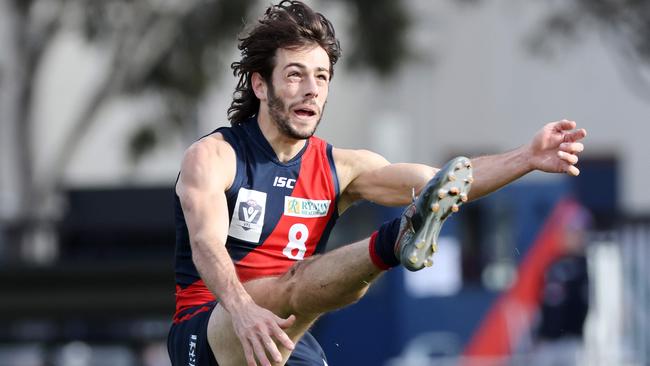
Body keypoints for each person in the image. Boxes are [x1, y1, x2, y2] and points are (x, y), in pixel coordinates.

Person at [167, 1, 587, 365]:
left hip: (289, 335)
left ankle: (401, 236)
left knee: (301, 286)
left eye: (322, 77)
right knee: (295, 282)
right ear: (260, 83)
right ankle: (394, 241)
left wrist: (527, 157)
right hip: (211, 327)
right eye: (295, 75)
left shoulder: (342, 167)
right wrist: (242, 310)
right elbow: (206, 245)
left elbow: (444, 185)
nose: (311, 90)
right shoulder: (215, 156)